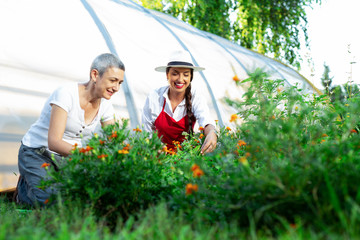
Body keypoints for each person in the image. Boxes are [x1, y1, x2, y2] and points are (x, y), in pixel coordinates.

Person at [16, 53, 125, 206]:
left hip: (69, 158)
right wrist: (90, 156)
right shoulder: (66, 94)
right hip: (38, 153)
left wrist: (133, 153)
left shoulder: (106, 105)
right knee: (53, 202)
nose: (116, 88)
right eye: (113, 80)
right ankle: (24, 189)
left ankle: (37, 182)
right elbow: (54, 142)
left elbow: (115, 141)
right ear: (95, 75)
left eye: (120, 82)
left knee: (87, 197)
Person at [141, 50, 217, 154]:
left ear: (191, 77)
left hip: (185, 160)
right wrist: (154, 148)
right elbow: (146, 132)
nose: (180, 79)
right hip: (157, 157)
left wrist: (211, 133)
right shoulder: (155, 97)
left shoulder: (196, 97)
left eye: (186, 74)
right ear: (167, 75)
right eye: (175, 74)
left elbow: (206, 121)